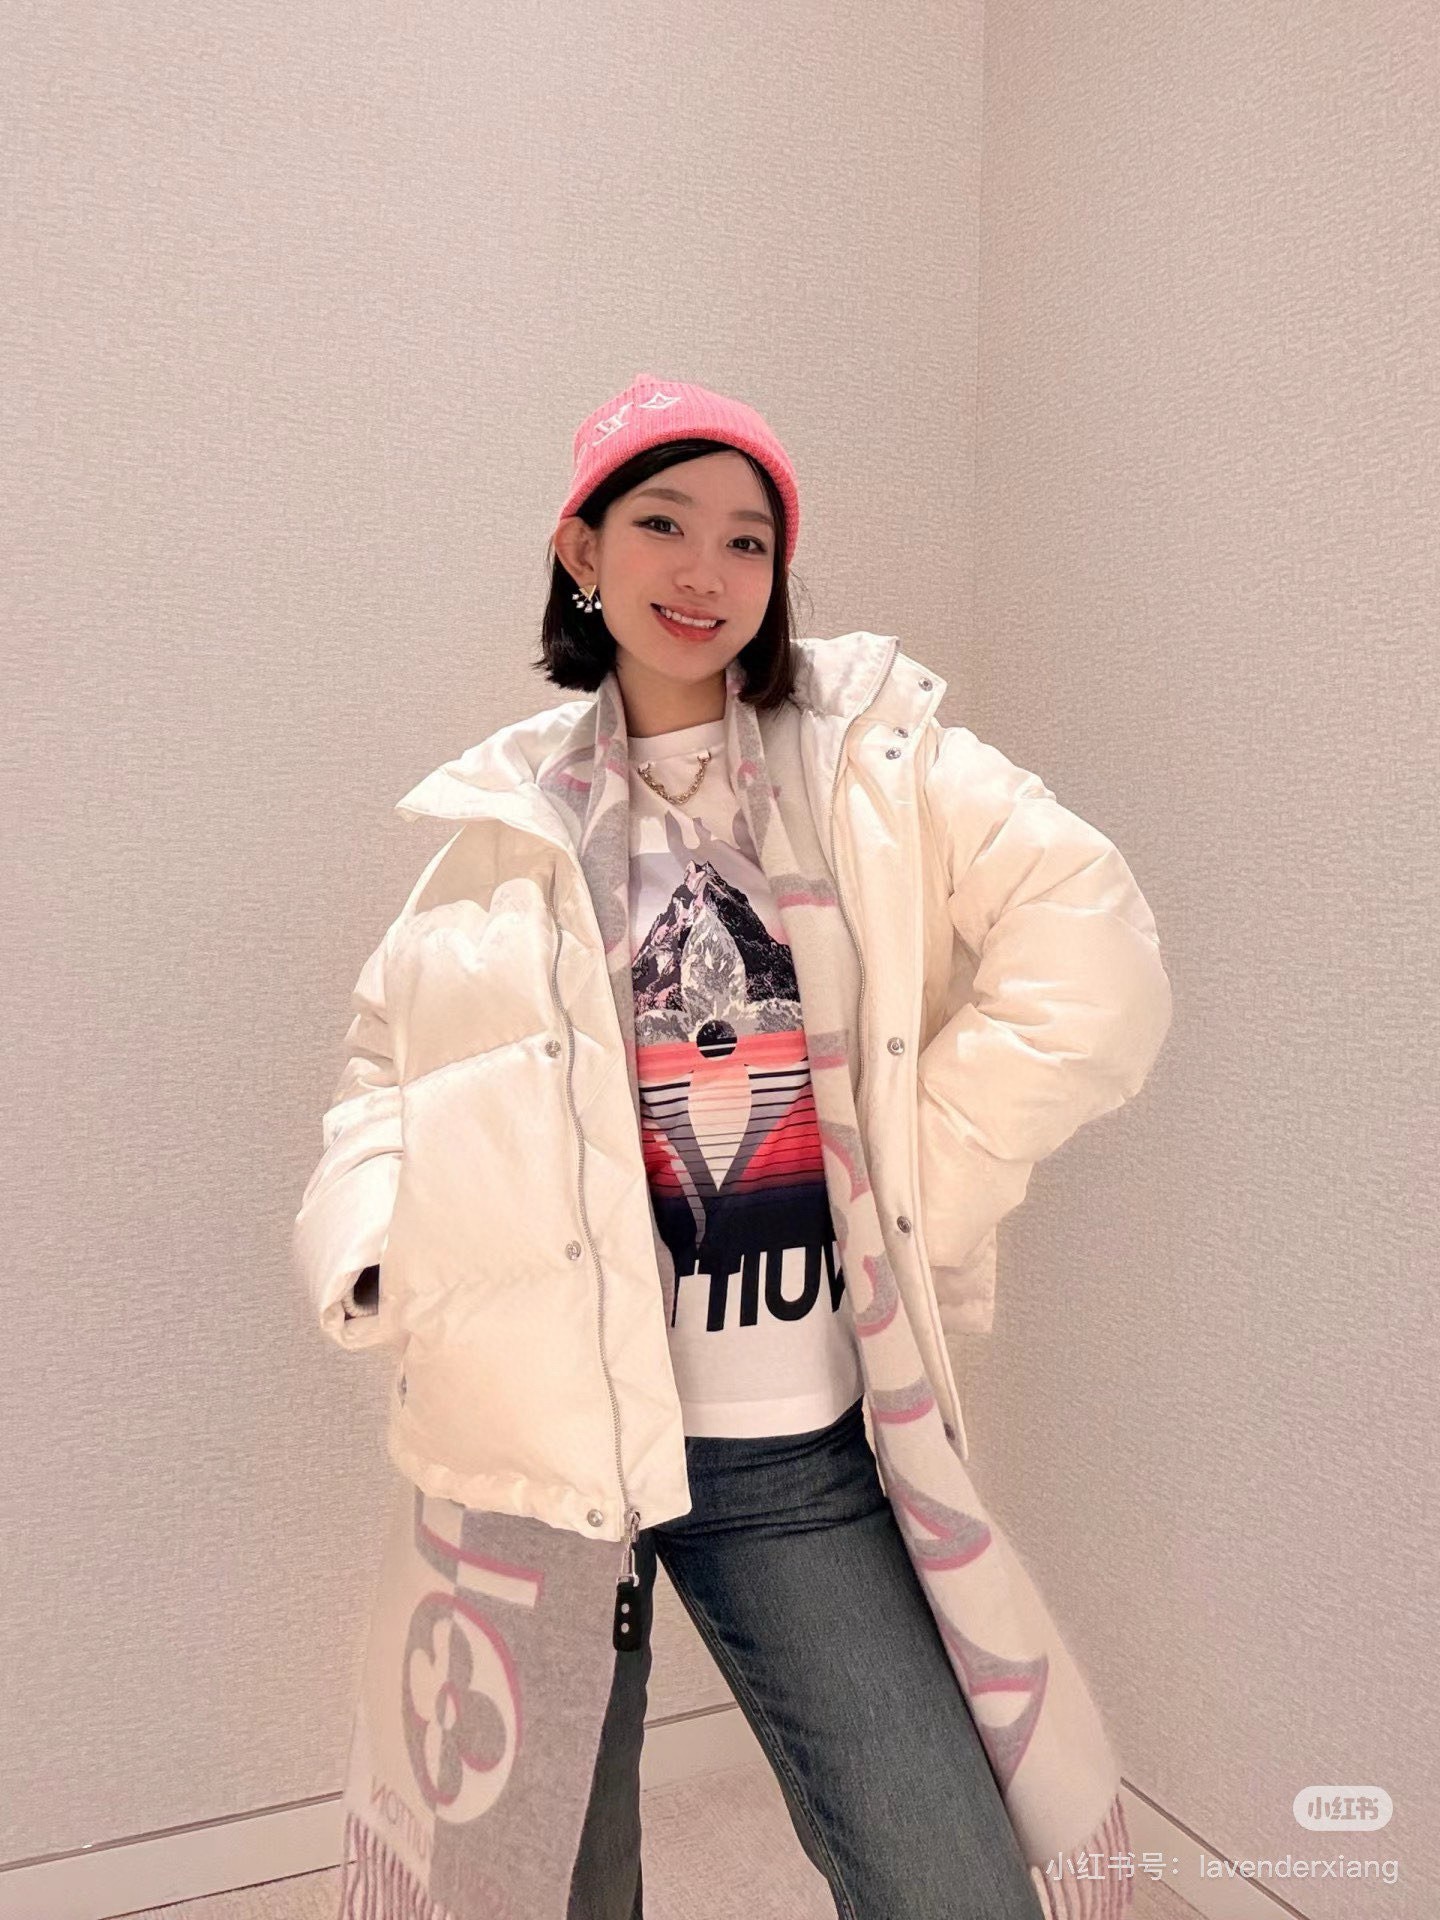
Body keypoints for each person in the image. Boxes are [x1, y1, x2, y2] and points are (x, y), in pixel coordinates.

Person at [294, 372, 1173, 1920]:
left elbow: (1094, 958)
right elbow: (388, 1059)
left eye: (748, 539)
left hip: (786, 1446)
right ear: (583, 550)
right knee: (546, 1889)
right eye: (663, 523)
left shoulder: (871, 765)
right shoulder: (507, 818)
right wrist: (373, 1251)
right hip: (541, 1445)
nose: (705, 570)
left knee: (950, 1879)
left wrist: (911, 1183)